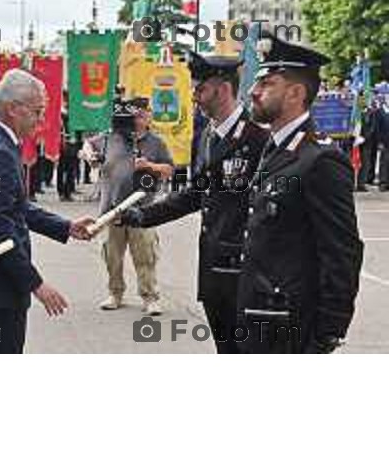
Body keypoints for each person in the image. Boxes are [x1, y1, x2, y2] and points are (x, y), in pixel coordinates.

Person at [121, 55, 269, 352]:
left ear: (223, 89)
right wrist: (141, 215)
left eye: (200, 89)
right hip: (214, 269)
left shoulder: (259, 137)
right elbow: (196, 194)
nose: (194, 96)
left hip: (247, 272)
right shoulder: (205, 136)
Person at [236, 33, 363, 353]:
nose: (253, 91)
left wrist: (328, 332)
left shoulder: (321, 159)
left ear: (295, 93)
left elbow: (341, 251)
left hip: (291, 324)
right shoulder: (273, 148)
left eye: (266, 85)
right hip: (258, 312)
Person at [0, 69, 95, 354]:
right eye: (37, 111)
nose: (42, 119)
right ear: (14, 109)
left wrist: (65, 226)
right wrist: (37, 284)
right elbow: (2, 234)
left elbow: (15, 206)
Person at [97, 98, 174, 315]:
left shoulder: (156, 142)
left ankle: (150, 297)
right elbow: (88, 147)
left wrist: (149, 165)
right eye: (135, 116)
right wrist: (88, 154)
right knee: (112, 255)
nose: (138, 119)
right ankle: (115, 293)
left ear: (148, 116)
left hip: (143, 209)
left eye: (142, 115)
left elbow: (169, 170)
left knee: (145, 255)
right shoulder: (111, 138)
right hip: (113, 208)